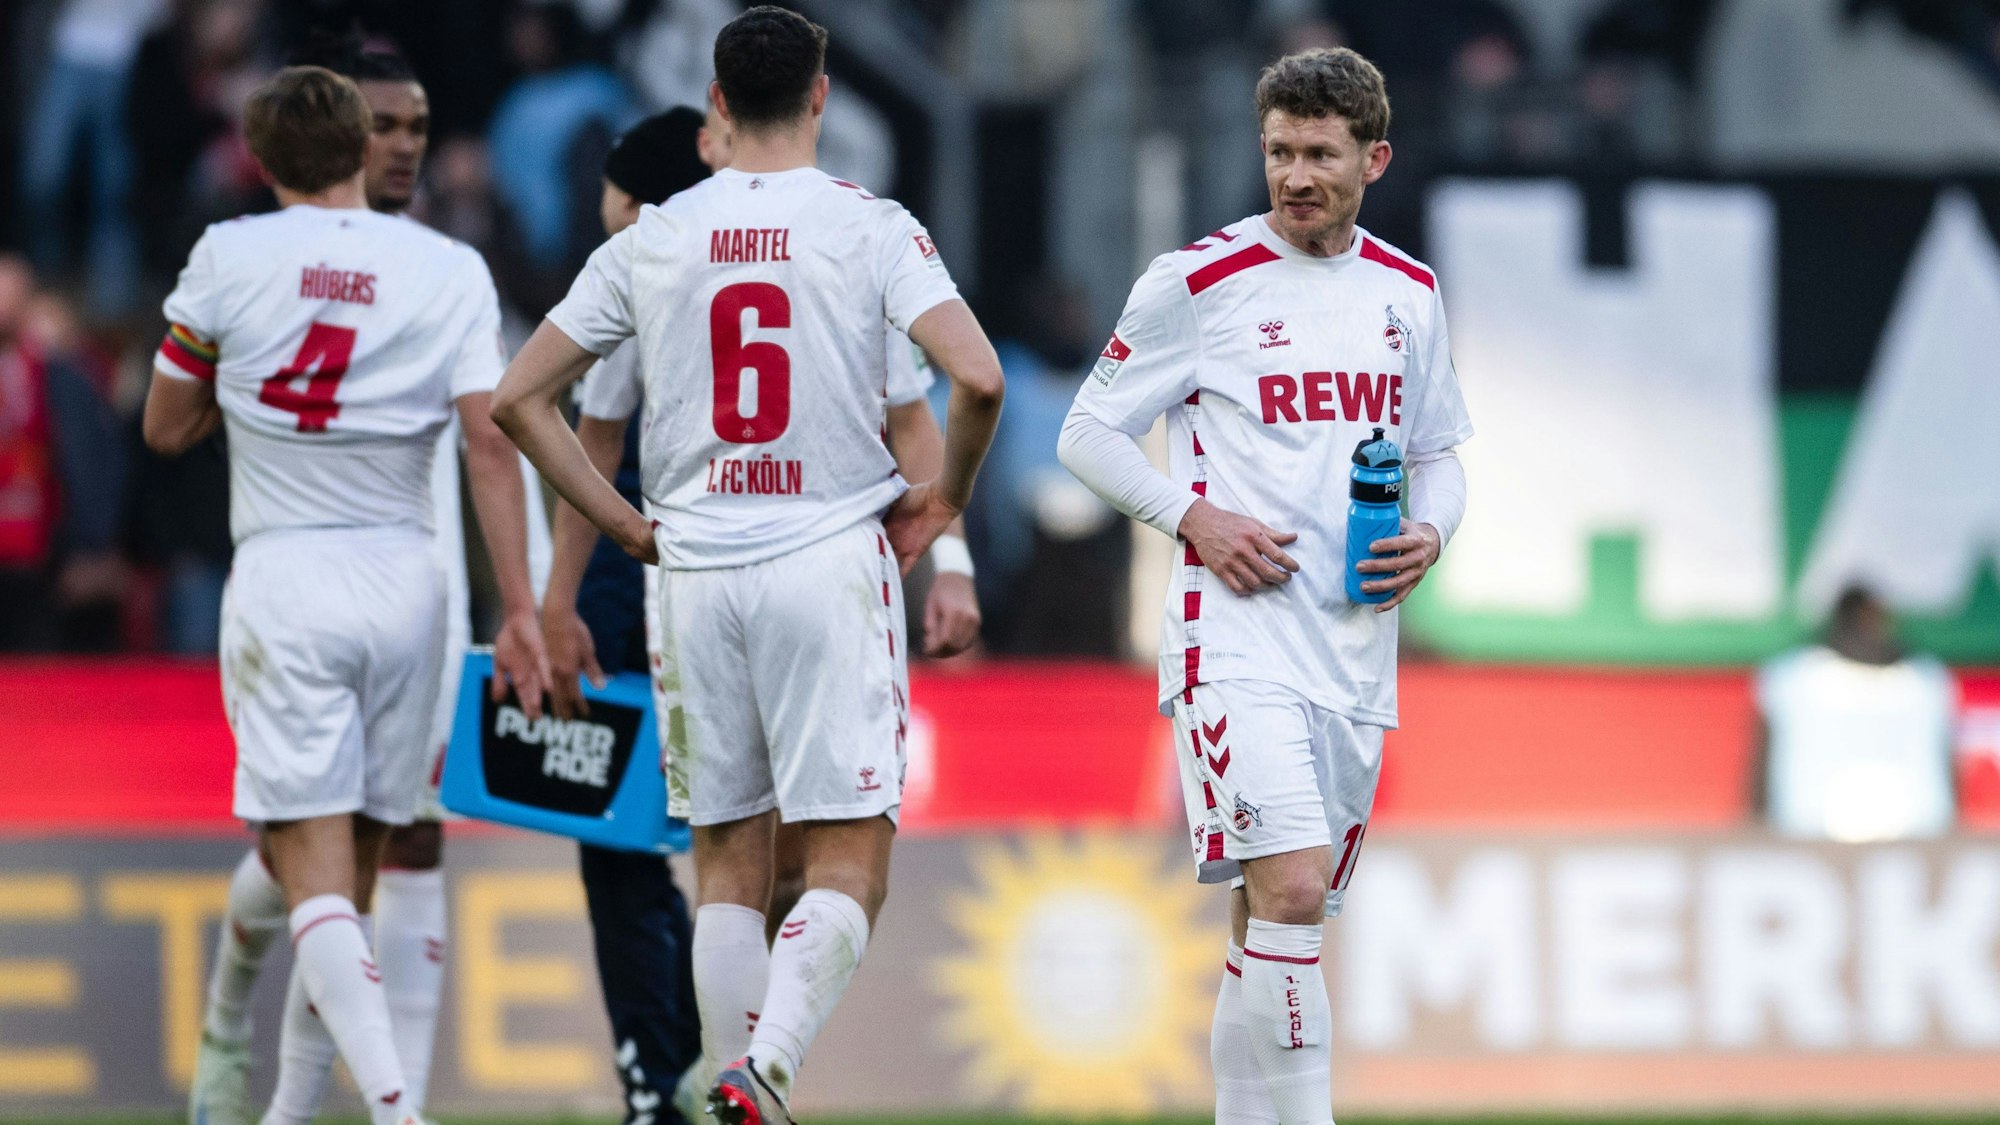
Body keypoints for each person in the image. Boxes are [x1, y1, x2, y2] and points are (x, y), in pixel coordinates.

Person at [491, 9, 1004, 1121]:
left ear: (715, 102)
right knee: (846, 864)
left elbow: (520, 400)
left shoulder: (650, 240)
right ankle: (762, 1071)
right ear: (822, 97)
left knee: (723, 866)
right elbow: (979, 381)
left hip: (693, 572)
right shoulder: (869, 227)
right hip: (823, 559)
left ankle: (736, 1088)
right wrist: (947, 503)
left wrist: (623, 529)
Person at [1057, 47, 1471, 1124]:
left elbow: (1440, 452)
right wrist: (1189, 517)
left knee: (1274, 918)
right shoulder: (1194, 283)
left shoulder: (1407, 294)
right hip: (1230, 638)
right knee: (1287, 893)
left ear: (1372, 159)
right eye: (1279, 151)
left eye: (1319, 155)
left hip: (1351, 650)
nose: (1294, 175)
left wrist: (1430, 531)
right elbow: (1085, 432)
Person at [144, 65, 549, 1125]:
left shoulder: (228, 256)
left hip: (288, 570)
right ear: (363, 149)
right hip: (410, 580)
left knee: (312, 871)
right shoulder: (450, 267)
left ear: (263, 160)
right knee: (353, 870)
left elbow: (163, 424)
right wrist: (519, 606)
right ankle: (290, 1111)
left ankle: (391, 1109)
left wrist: (236, 395)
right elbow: (489, 446)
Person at [1755, 584, 1960, 841]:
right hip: (1811, 844)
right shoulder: (1792, 679)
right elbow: (1761, 777)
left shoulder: (1926, 682)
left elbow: (1947, 772)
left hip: (1915, 844)